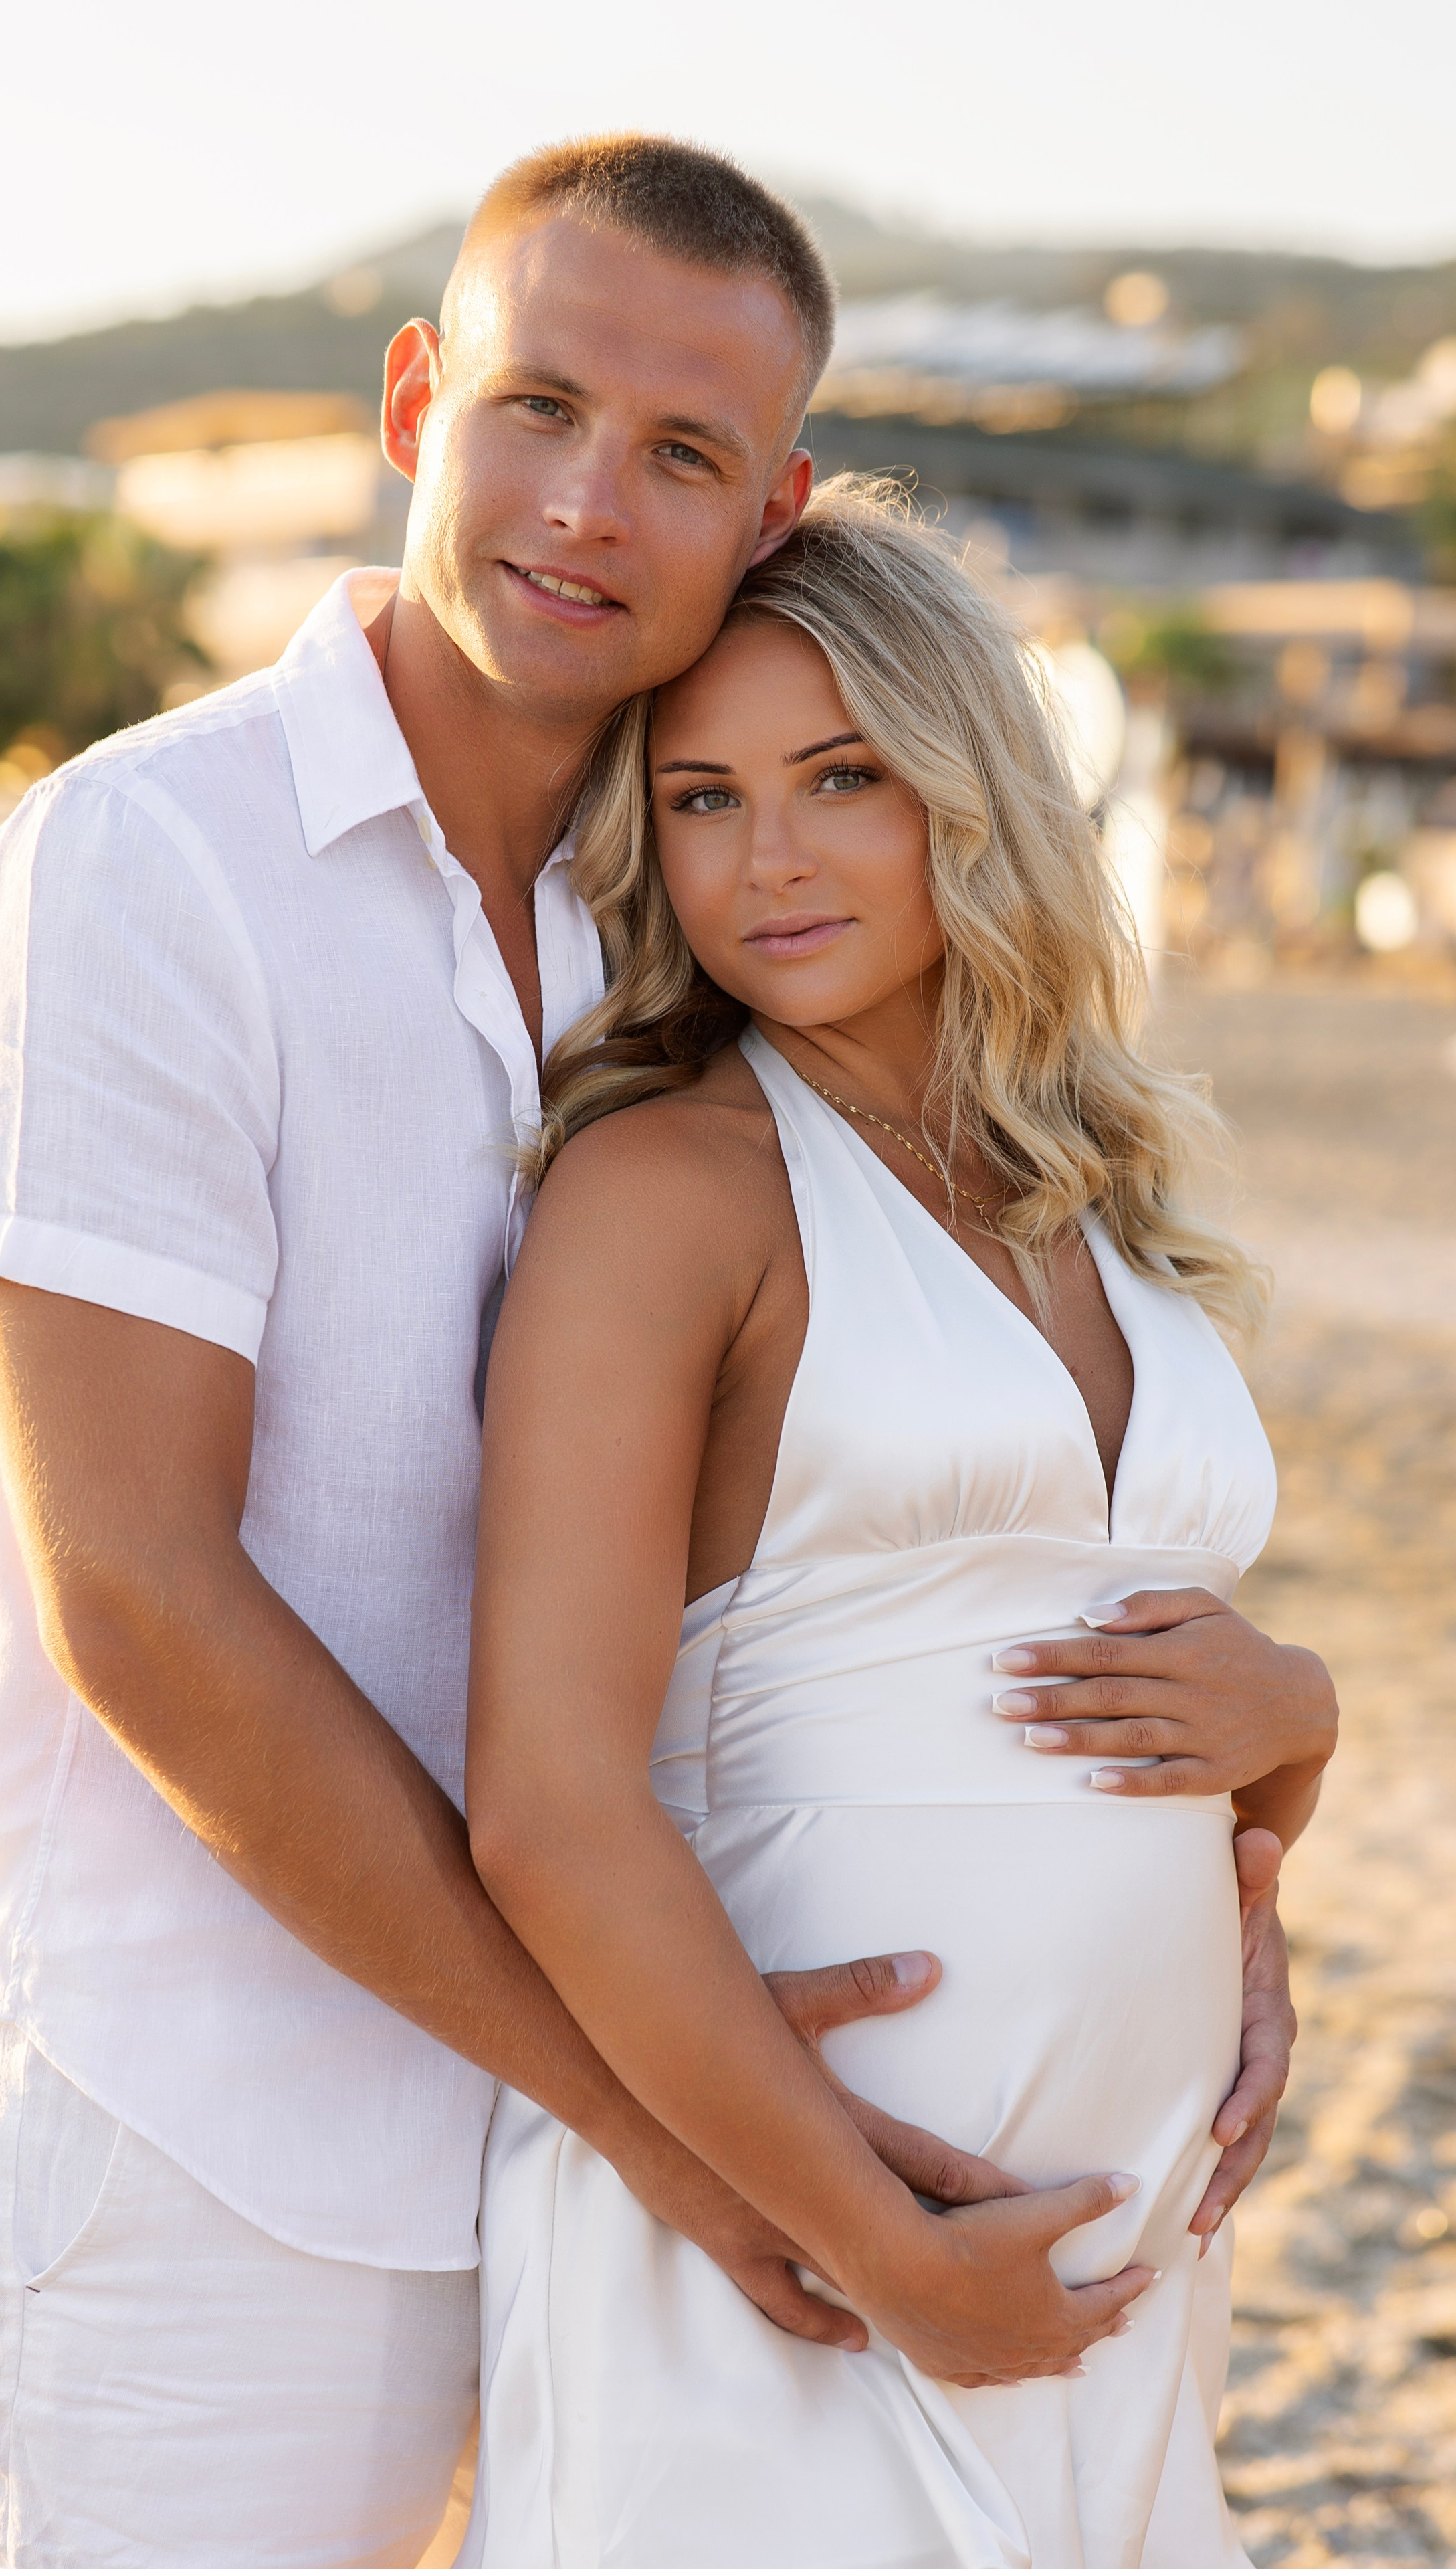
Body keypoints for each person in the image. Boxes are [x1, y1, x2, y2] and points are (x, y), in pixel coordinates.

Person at [0, 138, 1329, 2568]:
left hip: (600, 2132)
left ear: (766, 512)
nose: (584, 502)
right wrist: (703, 2141)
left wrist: (1262, 1792)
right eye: (538, 407)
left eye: (678, 454)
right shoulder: (156, 862)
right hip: (193, 2130)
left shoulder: (672, 921)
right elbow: (137, 1595)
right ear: (416, 398)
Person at [459, 480, 1336, 2565]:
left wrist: (1294, 1733)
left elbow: (1123, 1676)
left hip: (1107, 2248)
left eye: (837, 779)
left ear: (967, 786)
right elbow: (550, 1808)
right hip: (805, 2250)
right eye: (702, 798)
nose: (765, 860)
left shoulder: (1094, 1204)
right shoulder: (669, 1190)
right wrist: (873, 2243)